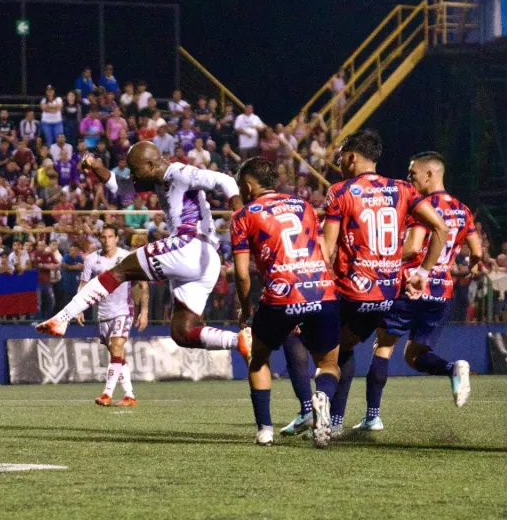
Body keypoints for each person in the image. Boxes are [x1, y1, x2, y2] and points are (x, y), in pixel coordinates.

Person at [36, 143, 250, 359]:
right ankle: (239, 340)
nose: (131, 173)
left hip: (190, 245)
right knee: (182, 332)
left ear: (150, 164)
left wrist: (240, 213)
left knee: (121, 269)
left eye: (134, 168)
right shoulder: (155, 178)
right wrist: (94, 166)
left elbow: (225, 180)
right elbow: (119, 187)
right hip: (206, 262)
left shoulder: (179, 173)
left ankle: (63, 317)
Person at [315, 129, 448, 436]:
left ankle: (319, 406)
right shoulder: (403, 189)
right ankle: (335, 422)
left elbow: (329, 248)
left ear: (351, 157)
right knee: (344, 348)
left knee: (321, 352)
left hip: (350, 291)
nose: (339, 163)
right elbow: (439, 228)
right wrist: (423, 273)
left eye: (340, 158)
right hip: (386, 295)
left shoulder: (341, 191)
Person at [351, 152, 482, 433]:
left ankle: (372, 417)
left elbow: (412, 247)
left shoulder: (422, 206)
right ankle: (452, 368)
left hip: (411, 285)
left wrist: (382, 259)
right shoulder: (462, 209)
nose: (409, 180)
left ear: (429, 175)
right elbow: (477, 251)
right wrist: (470, 266)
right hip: (442, 293)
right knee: (414, 355)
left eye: (412, 175)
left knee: (383, 347)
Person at [231, 158, 341, 447]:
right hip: (320, 290)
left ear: (248, 185)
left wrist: (246, 308)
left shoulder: (244, 215)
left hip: (280, 295)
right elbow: (324, 253)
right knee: (329, 364)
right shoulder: (304, 206)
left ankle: (265, 429)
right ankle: (322, 397)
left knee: (259, 360)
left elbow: (242, 274)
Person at [77, 225, 148, 407]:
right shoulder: (92, 260)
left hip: (124, 309)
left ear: (116, 238)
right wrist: (79, 308)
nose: (106, 240)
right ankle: (129, 396)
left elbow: (143, 284)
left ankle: (107, 394)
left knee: (116, 346)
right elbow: (84, 285)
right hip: (104, 312)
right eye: (103, 236)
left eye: (110, 236)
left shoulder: (127, 258)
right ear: (99, 238)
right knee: (116, 353)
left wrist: (144, 311)